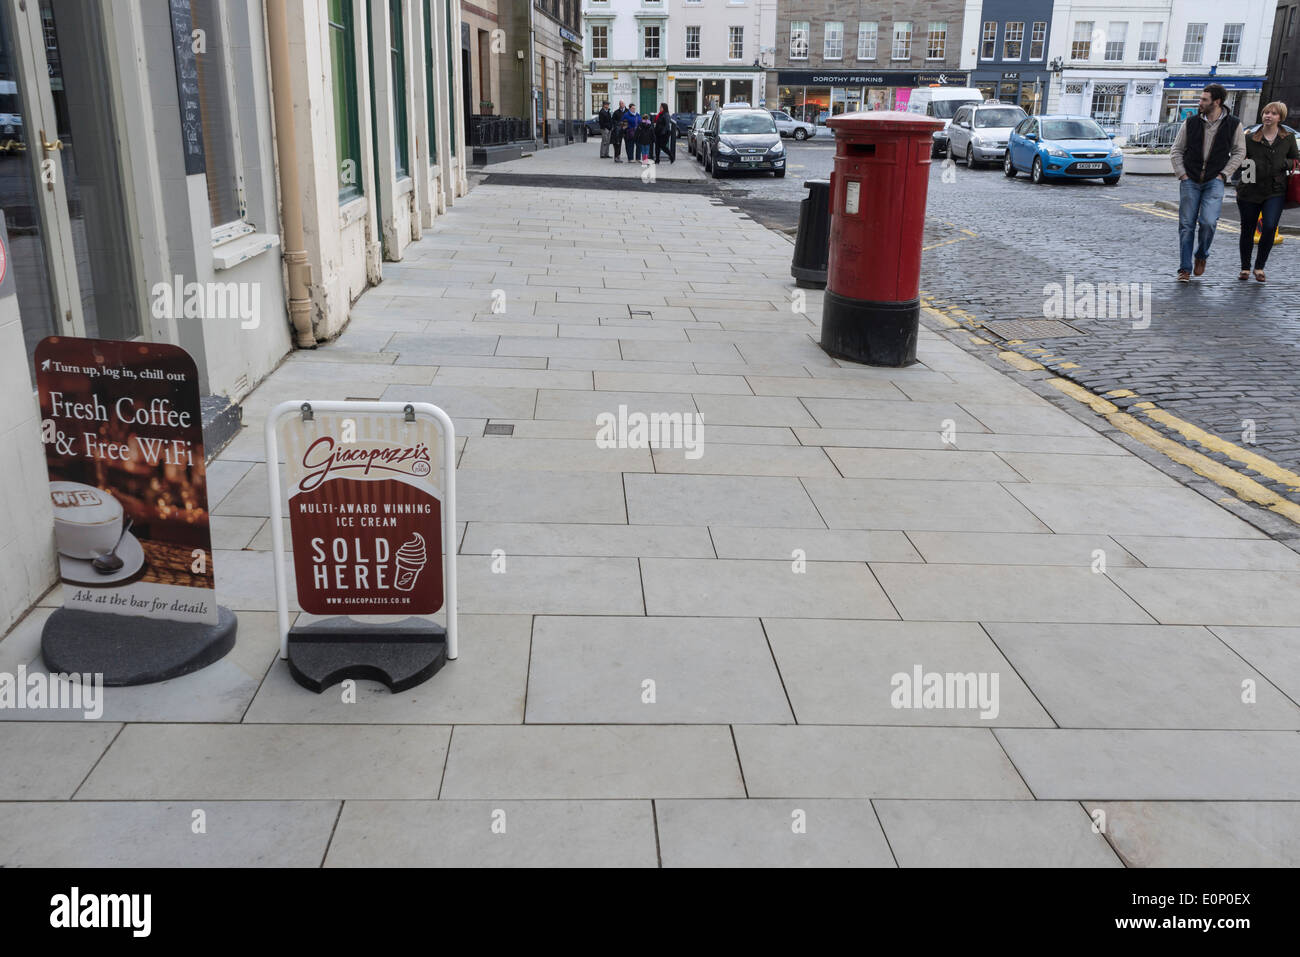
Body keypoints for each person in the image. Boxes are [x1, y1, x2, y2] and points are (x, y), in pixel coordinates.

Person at [1170, 83, 1247, 282]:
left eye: (1204, 99)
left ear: (1217, 102)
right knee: (1186, 225)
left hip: (1215, 180)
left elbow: (1239, 152)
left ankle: (1201, 255)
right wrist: (1182, 174)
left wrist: (1224, 174)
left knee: (1208, 223)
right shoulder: (1191, 122)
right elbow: (1176, 150)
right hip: (1190, 179)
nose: (1200, 102)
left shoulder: (1233, 124)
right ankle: (1184, 269)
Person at [1235, 101, 1298, 283]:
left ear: (1280, 117)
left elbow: (1295, 159)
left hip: (1275, 190)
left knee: (1270, 227)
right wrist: (1245, 178)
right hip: (1250, 190)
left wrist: (1283, 164)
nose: (1268, 116)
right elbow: (1242, 161)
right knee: (1247, 229)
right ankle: (1245, 268)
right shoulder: (1250, 138)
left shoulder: (1288, 138)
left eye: (1273, 113)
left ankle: (1259, 267)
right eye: (1266, 112)